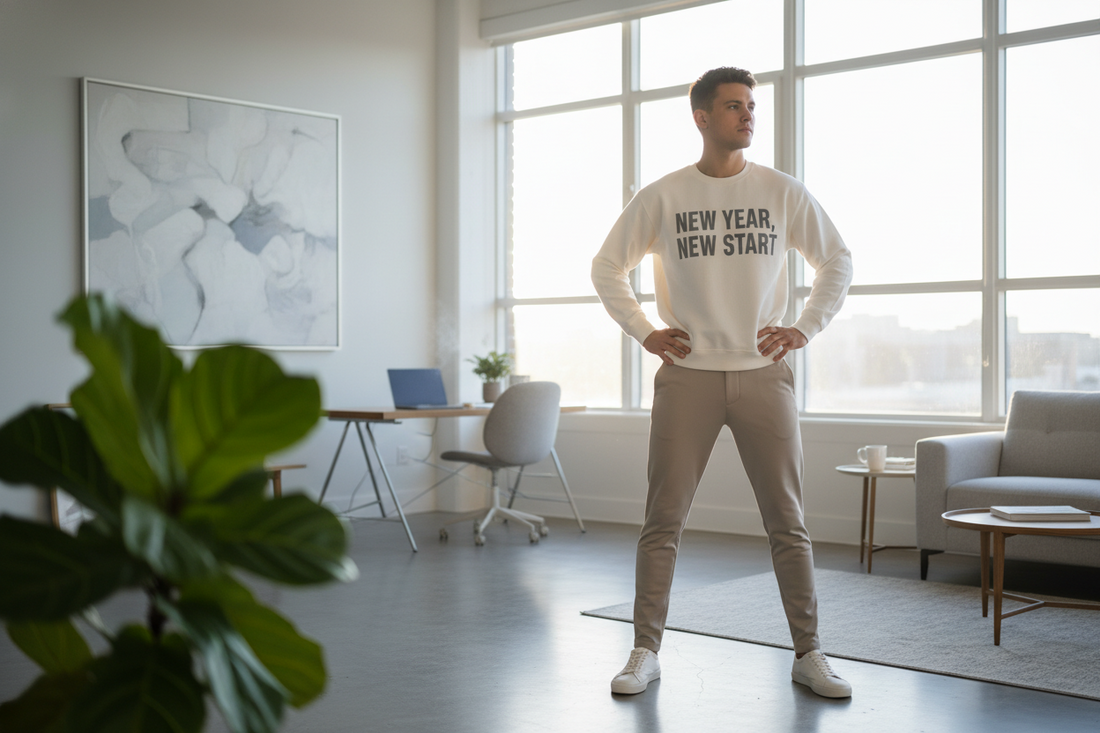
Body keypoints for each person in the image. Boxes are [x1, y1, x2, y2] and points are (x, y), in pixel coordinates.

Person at [591, 67, 854, 698]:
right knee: (663, 520)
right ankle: (644, 651)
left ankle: (810, 653)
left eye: (751, 106)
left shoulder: (782, 191)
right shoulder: (663, 196)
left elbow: (837, 259)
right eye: (735, 106)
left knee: (788, 522)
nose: (748, 115)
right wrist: (645, 332)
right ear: (702, 117)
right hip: (687, 378)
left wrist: (804, 328)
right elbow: (607, 267)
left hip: (765, 376)